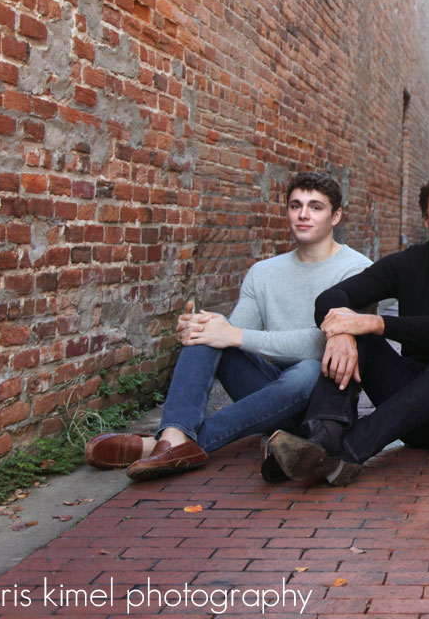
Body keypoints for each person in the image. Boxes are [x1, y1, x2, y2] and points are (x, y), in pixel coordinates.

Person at [84, 172, 372, 481]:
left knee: (307, 370)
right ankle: (174, 434)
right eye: (295, 205)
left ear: (336, 216)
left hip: (320, 405)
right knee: (207, 329)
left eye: (315, 207)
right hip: (268, 392)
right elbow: (234, 336)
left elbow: (322, 344)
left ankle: (162, 446)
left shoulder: (357, 270)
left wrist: (231, 333)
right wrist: (205, 328)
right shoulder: (263, 273)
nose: (303, 214)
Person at [266, 168, 429, 486]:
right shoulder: (409, 263)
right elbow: (331, 297)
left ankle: (348, 449)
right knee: (355, 337)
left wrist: (371, 322)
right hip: (411, 421)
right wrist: (343, 331)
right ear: (426, 220)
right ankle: (323, 439)